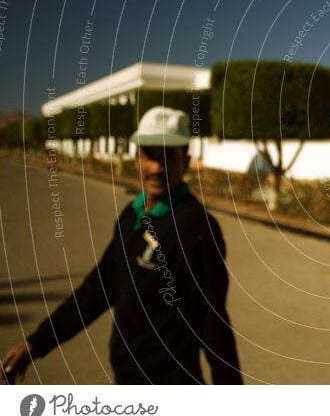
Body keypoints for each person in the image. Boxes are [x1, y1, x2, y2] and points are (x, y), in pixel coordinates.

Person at [1, 106, 242, 384]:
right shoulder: (131, 217)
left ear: (186, 162)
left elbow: (213, 323)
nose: (157, 167)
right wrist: (36, 344)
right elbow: (97, 289)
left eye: (168, 156)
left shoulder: (197, 228)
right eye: (149, 155)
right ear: (137, 159)